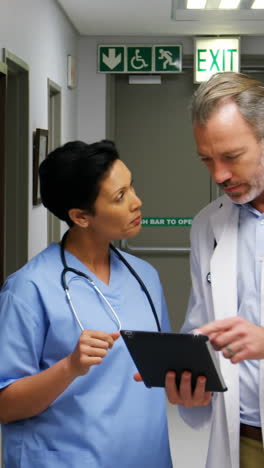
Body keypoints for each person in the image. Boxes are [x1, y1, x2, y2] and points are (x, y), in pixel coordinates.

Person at [0, 140, 172, 468]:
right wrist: (70, 367)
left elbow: (161, 371)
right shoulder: (28, 289)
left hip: (146, 457)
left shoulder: (145, 277)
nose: (137, 202)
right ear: (81, 216)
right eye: (120, 197)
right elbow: (5, 406)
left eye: (131, 186)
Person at [165, 72, 264, 468]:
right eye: (207, 159)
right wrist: (192, 384)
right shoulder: (208, 224)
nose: (218, 175)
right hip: (243, 438)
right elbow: (201, 325)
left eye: (231, 157)